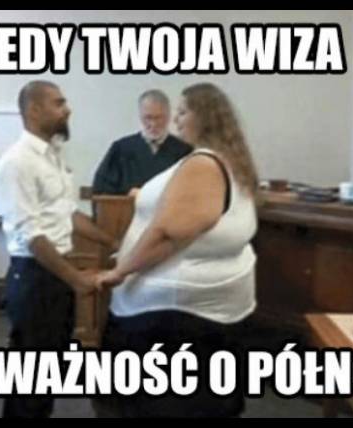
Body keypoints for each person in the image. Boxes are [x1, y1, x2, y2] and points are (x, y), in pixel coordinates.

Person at [94, 83, 260, 417]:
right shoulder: (231, 161)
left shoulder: (203, 164)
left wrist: (120, 271)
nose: (176, 121)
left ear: (205, 117)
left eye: (182, 112)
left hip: (172, 316)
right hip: (204, 310)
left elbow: (167, 235)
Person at [0, 80, 118, 418]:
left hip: (55, 273)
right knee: (30, 376)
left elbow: (68, 213)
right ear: (34, 110)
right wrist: (77, 280)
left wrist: (112, 242)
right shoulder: (17, 162)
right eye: (59, 103)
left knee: (48, 370)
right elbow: (32, 235)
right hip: (35, 276)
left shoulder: (54, 157)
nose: (67, 109)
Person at [92, 89, 192, 197]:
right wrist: (128, 193)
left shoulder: (184, 151)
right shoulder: (120, 149)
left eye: (158, 118)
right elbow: (101, 190)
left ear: (168, 116)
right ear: (140, 116)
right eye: (148, 118)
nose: (153, 124)